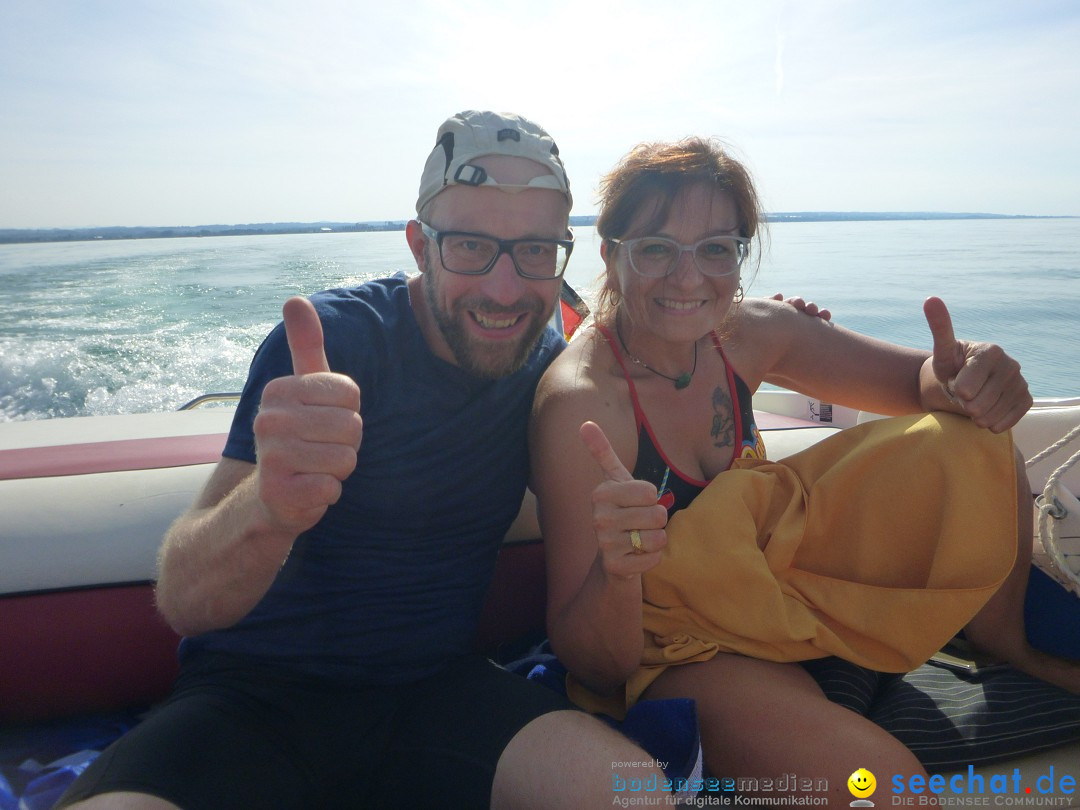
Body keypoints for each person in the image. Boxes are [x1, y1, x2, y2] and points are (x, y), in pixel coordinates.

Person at [56, 111, 668, 810]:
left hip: (437, 691)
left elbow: (655, 361)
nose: (504, 288)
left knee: (634, 794)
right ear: (419, 245)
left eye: (533, 251)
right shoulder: (330, 343)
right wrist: (268, 510)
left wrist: (727, 338)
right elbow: (185, 602)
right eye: (470, 245)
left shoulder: (546, 370)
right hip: (254, 699)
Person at [528, 136, 1080, 801]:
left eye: (716, 249)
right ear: (609, 255)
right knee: (881, 788)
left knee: (979, 441)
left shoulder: (745, 334)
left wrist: (968, 374)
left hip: (769, 579)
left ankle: (1006, 643)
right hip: (679, 646)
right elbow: (595, 662)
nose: (688, 278)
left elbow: (918, 381)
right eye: (655, 248)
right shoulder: (583, 404)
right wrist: (619, 572)